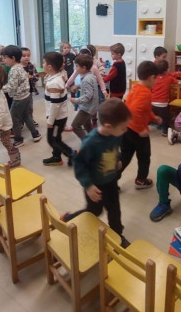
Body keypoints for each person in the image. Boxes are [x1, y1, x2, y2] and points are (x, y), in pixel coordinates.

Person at [62, 98, 131, 248]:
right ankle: (68, 218)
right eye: (123, 128)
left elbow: (114, 148)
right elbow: (79, 164)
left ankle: (118, 237)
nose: (125, 130)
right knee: (93, 212)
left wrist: (117, 159)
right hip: (95, 186)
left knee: (115, 211)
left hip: (111, 182)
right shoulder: (91, 142)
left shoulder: (116, 134)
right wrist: (88, 186)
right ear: (108, 126)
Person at [120, 61, 162, 189]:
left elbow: (143, 109)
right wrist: (140, 130)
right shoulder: (146, 93)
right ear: (151, 77)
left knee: (124, 157)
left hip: (126, 129)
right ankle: (141, 180)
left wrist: (153, 118)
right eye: (156, 78)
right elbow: (135, 111)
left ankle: (110, 180)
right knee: (144, 157)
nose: (156, 81)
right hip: (137, 132)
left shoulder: (135, 88)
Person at [1, 45, 41, 147]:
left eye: (5, 58)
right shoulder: (20, 67)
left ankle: (18, 139)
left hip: (19, 99)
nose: (4, 60)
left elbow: (12, 87)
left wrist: (0, 89)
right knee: (26, 115)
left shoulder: (14, 70)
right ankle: (35, 134)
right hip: (26, 96)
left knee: (14, 119)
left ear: (13, 58)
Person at [42, 51, 75, 166]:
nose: (42, 65)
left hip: (57, 119)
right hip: (58, 116)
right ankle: (57, 157)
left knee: (52, 139)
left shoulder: (55, 83)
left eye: (44, 63)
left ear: (49, 67)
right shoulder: (54, 78)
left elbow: (55, 105)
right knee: (56, 138)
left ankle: (73, 155)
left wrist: (50, 122)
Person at [70, 54, 99, 141]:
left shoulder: (86, 79)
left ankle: (87, 143)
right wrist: (77, 86)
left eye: (77, 66)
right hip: (92, 107)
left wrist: (76, 100)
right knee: (87, 125)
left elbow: (88, 96)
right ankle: (93, 141)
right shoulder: (90, 76)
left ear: (84, 68)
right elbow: (89, 87)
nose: (75, 68)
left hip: (87, 108)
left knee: (75, 126)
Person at [151, 59, 177, 136]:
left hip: (152, 102)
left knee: (154, 115)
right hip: (163, 103)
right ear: (166, 70)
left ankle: (153, 124)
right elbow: (177, 82)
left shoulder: (154, 78)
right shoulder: (169, 78)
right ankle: (165, 131)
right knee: (166, 117)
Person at [20, 47, 40, 127]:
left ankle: (30, 119)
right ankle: (21, 122)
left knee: (29, 107)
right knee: (21, 107)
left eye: (28, 55)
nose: (26, 57)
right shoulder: (17, 67)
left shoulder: (31, 66)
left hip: (29, 90)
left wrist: (31, 77)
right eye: (24, 56)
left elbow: (37, 77)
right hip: (20, 92)